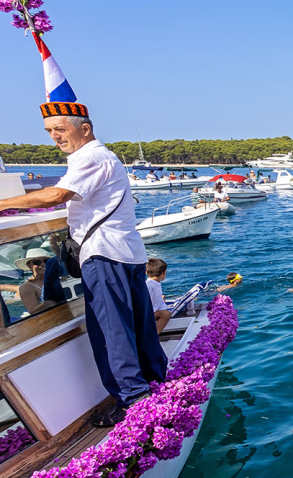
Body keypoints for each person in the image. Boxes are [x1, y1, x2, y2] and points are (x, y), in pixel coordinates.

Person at [0, 98, 168, 428]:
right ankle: (155, 384)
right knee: (137, 324)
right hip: (126, 252)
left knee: (110, 330)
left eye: (60, 129)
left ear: (85, 128)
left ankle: (133, 401)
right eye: (49, 131)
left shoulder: (90, 157)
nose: (54, 137)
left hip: (104, 254)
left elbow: (56, 196)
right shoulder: (100, 157)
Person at [14, 248, 59, 315]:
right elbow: (33, 311)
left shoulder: (58, 278)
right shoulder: (27, 287)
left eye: (46, 261)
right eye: (37, 262)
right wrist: (50, 299)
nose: (43, 264)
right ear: (29, 265)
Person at [145, 257, 171, 334]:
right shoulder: (150, 285)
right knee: (166, 314)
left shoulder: (152, 283)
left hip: (149, 311)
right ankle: (155, 334)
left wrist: (160, 300)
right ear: (164, 273)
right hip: (147, 314)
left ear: (146, 272)